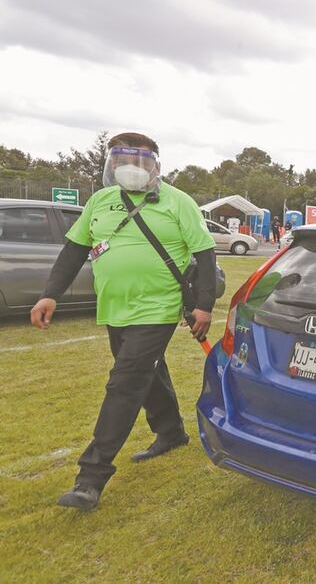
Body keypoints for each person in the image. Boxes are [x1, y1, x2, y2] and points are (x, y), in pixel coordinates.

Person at [30, 132, 218, 511]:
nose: (132, 168)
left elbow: (206, 254)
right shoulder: (100, 202)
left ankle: (91, 477)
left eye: (141, 161)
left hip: (159, 309)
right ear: (112, 165)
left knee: (126, 383)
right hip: (115, 308)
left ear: (155, 165)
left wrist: (204, 305)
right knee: (146, 371)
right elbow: (74, 250)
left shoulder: (178, 202)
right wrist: (51, 292)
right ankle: (171, 433)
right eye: (123, 161)